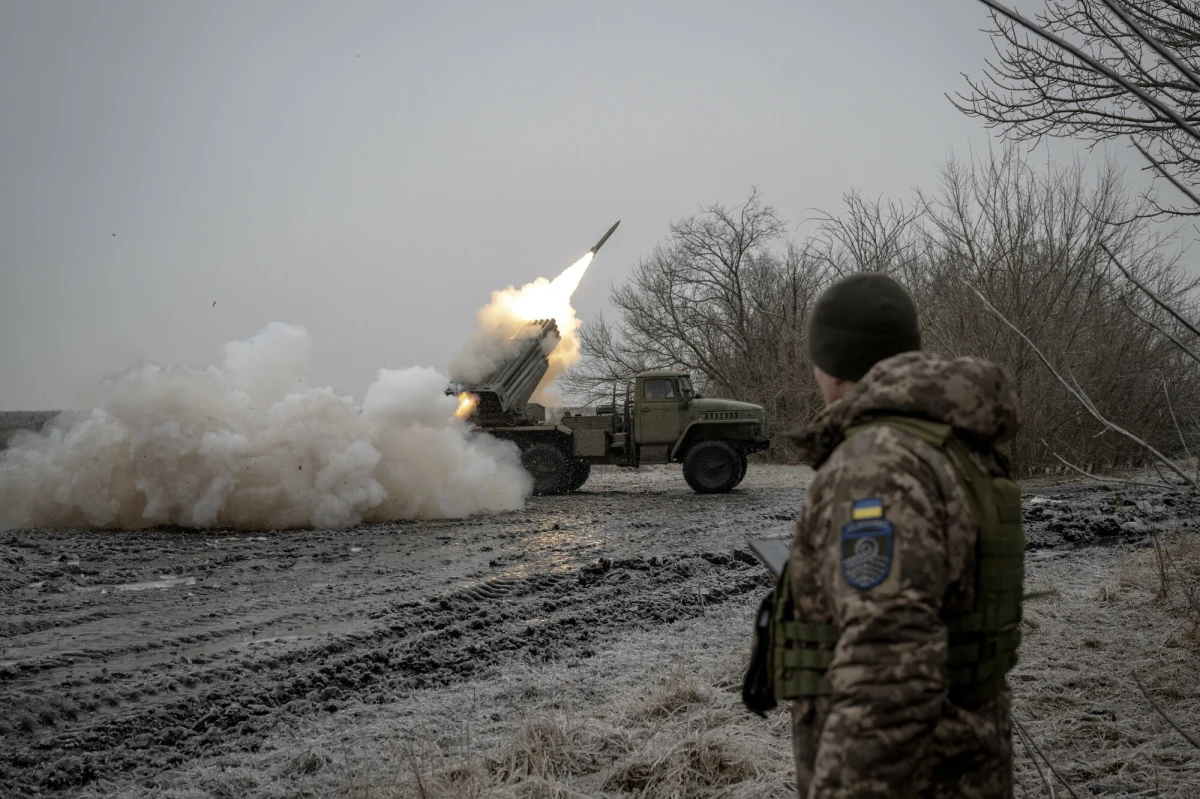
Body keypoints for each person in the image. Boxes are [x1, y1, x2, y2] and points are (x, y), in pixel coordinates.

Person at [751, 273, 1024, 798]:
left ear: (830, 364)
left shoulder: (877, 466)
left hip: (914, 778)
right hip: (964, 764)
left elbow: (889, 670)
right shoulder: (950, 444)